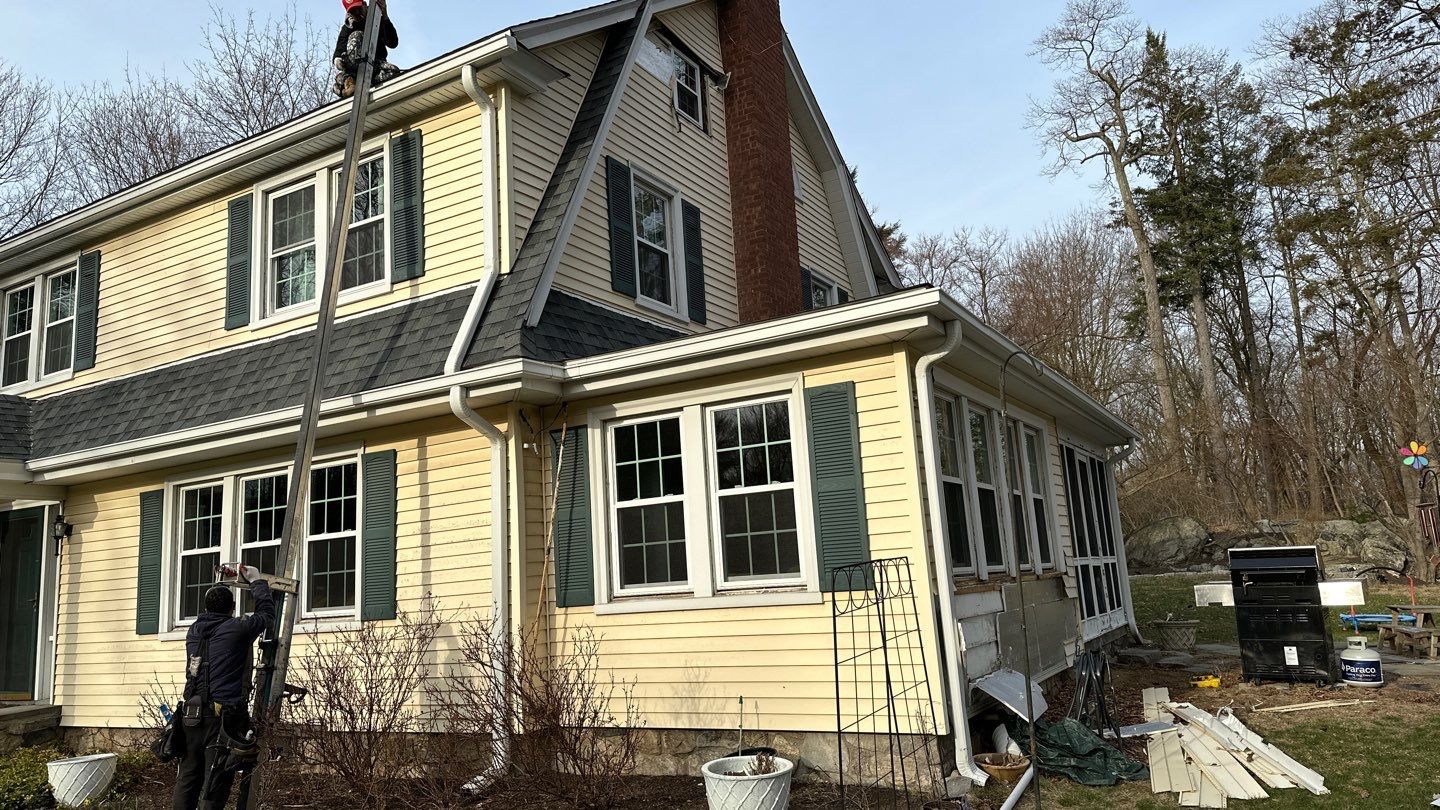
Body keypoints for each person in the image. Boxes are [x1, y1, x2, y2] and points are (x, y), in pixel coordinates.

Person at [171, 568, 275, 810]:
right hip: (221, 719)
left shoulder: (194, 630)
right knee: (215, 778)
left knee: (188, 777)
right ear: (232, 608)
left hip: (191, 716)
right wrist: (257, 580)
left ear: (206, 608)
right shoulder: (237, 628)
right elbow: (267, 615)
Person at [334, 0, 401, 99]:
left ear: (364, 5)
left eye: (359, 9)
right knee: (356, 35)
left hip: (375, 65)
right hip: (355, 68)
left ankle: (369, 84)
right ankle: (350, 84)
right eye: (353, 11)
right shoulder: (348, 27)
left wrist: (385, 17)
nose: (357, 13)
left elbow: (392, 43)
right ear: (349, 13)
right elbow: (340, 48)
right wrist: (338, 59)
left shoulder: (377, 19)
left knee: (393, 71)